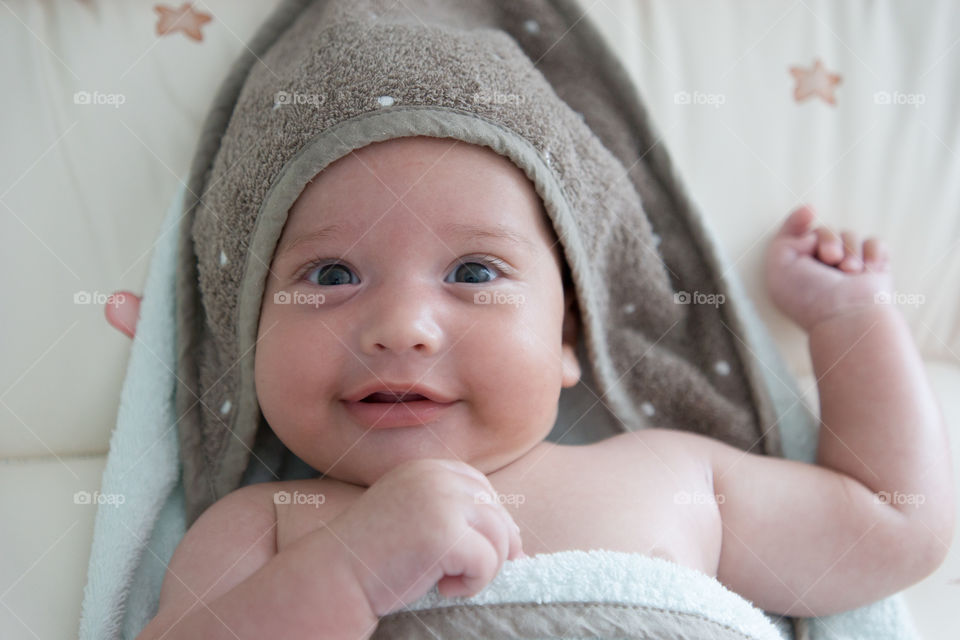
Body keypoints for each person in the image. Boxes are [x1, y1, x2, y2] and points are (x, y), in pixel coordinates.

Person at [120, 135, 953, 639]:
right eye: (330, 274)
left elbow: (893, 527)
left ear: (568, 341)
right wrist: (349, 569)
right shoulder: (272, 523)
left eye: (474, 270)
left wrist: (850, 321)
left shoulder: (672, 477)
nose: (401, 325)